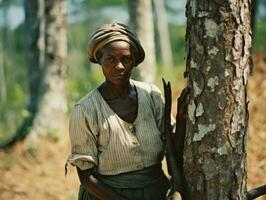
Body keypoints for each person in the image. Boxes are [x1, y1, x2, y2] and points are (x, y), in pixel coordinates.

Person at [66, 22, 185, 200]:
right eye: (111, 59)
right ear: (99, 59)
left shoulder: (151, 96)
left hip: (155, 192)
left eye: (126, 59)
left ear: (134, 62)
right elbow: (87, 179)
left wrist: (182, 120)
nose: (119, 66)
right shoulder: (85, 110)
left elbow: (172, 148)